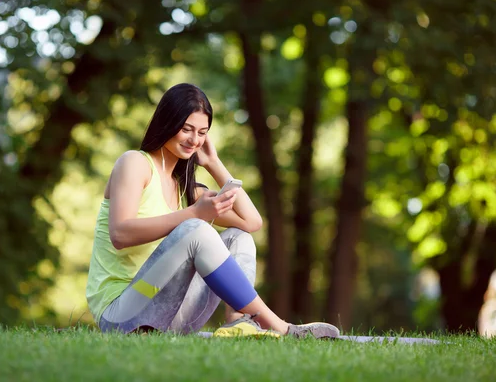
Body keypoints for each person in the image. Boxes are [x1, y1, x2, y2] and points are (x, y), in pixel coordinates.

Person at [85, 83, 340, 338]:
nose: (194, 140)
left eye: (202, 132)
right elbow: (120, 234)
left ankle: (239, 323)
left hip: (170, 317)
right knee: (196, 229)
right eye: (186, 129)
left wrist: (213, 163)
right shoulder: (135, 163)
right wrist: (195, 214)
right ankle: (281, 327)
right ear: (167, 122)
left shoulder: (187, 189)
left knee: (238, 238)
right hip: (120, 314)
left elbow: (251, 222)